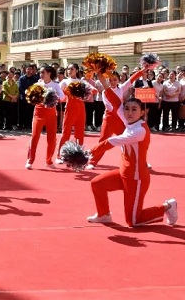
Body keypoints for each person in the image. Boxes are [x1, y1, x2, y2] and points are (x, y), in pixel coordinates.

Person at [86, 98, 178, 227]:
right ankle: (104, 215)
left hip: (136, 178)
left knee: (133, 221)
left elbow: (111, 142)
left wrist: (88, 153)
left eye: (134, 109)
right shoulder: (129, 123)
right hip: (123, 173)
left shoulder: (139, 131)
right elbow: (115, 101)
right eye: (127, 109)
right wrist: (106, 85)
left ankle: (167, 206)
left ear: (142, 112)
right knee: (97, 184)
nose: (129, 113)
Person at [86, 68, 143, 169]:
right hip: (109, 119)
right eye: (110, 80)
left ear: (118, 80)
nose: (112, 82)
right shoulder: (105, 92)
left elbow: (132, 79)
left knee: (129, 140)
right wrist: (121, 113)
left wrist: (143, 70)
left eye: (115, 80)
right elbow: (109, 107)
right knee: (103, 141)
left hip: (120, 120)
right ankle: (93, 162)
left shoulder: (121, 88)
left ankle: (139, 161)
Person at [26, 66, 64, 170]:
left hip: (51, 114)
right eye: (40, 72)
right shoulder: (37, 85)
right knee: (35, 137)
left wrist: (53, 97)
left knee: (52, 139)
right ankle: (30, 160)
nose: (41, 74)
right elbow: (29, 95)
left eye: (43, 72)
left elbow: (62, 96)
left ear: (49, 73)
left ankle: (49, 160)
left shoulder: (55, 85)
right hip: (39, 113)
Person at [56, 64, 95, 163]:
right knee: (66, 133)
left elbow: (94, 90)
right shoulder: (65, 81)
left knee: (80, 133)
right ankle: (59, 155)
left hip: (80, 109)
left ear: (77, 70)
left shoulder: (81, 81)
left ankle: (78, 155)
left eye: (72, 69)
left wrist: (85, 94)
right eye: (68, 69)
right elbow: (58, 93)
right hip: (70, 108)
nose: (69, 70)